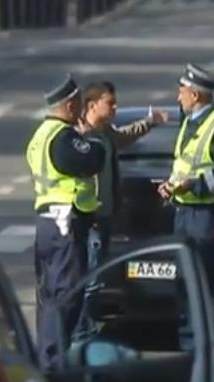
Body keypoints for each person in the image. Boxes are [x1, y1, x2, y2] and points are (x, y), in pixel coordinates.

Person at [157, 63, 214, 366]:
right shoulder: (188, 121)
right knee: (186, 282)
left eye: (182, 91)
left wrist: (196, 184)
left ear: (195, 94)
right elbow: (184, 164)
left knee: (210, 285)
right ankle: (192, 350)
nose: (178, 96)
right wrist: (172, 186)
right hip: (184, 212)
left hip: (207, 216)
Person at [26, 74, 105, 370]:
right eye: (80, 105)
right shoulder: (63, 137)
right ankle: (53, 363)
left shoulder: (40, 135)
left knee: (49, 297)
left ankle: (48, 358)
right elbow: (91, 159)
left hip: (47, 224)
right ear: (70, 105)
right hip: (65, 225)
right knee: (66, 296)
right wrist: (93, 137)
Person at [78, 81, 170, 261]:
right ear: (92, 106)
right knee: (91, 276)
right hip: (89, 218)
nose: (115, 107)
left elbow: (126, 134)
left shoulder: (106, 133)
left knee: (98, 272)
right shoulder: (78, 136)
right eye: (110, 103)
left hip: (106, 215)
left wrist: (150, 121)